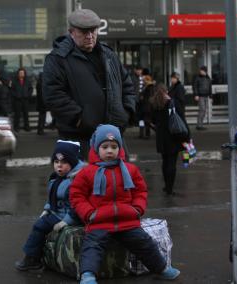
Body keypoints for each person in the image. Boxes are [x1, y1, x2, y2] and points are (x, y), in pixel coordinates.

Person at [69, 124, 180, 283]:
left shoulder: (130, 169)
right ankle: (88, 275)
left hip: (127, 220)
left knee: (145, 243)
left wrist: (137, 209)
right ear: (96, 148)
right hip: (99, 220)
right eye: (105, 146)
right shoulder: (87, 172)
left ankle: (162, 268)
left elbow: (140, 191)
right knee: (92, 246)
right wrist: (89, 213)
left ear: (120, 148)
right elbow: (76, 195)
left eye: (114, 147)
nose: (109, 151)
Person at [42, 9, 136, 158]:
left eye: (93, 31)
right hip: (79, 141)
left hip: (113, 138)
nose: (90, 36)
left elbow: (127, 85)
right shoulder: (58, 59)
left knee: (119, 180)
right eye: (84, 32)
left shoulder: (109, 55)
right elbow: (53, 95)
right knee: (83, 181)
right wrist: (80, 119)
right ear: (71, 32)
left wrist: (126, 113)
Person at [15, 140, 85, 271]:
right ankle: (37, 256)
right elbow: (51, 197)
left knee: (39, 226)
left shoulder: (76, 180)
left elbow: (77, 206)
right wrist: (47, 209)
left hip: (68, 216)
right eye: (56, 162)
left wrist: (66, 222)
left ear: (73, 163)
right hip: (57, 213)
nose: (59, 166)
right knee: (41, 223)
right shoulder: (57, 177)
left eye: (64, 163)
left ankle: (32, 259)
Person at [150, 84, 190, 196]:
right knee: (172, 163)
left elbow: (152, 120)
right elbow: (181, 119)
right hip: (173, 136)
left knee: (165, 161)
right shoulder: (172, 103)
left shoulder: (154, 104)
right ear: (166, 91)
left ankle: (166, 186)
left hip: (161, 137)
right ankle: (170, 188)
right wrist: (187, 136)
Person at [11, 68, 33, 132]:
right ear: (18, 74)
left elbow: (30, 89)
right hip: (17, 100)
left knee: (26, 114)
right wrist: (16, 95)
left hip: (25, 100)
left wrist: (28, 95)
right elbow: (12, 90)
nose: (21, 74)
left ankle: (27, 127)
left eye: (22, 73)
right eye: (20, 73)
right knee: (17, 115)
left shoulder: (27, 80)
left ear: (24, 73)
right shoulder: (14, 81)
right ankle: (16, 127)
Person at [193, 66, 212, 130]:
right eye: (200, 70)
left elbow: (210, 87)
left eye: (202, 70)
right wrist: (196, 95)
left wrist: (211, 96)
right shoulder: (197, 78)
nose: (200, 71)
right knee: (202, 110)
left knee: (204, 111)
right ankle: (199, 125)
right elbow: (195, 86)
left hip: (206, 96)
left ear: (205, 71)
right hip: (200, 96)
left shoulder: (208, 78)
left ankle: (200, 124)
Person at [138, 75, 155, 139]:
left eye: (144, 80)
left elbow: (150, 98)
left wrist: (142, 97)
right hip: (145, 106)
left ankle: (148, 134)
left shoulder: (150, 87)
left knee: (147, 121)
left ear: (147, 80)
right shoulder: (146, 87)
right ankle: (143, 134)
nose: (143, 81)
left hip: (147, 107)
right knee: (144, 121)